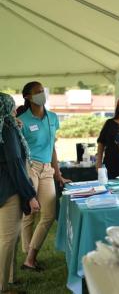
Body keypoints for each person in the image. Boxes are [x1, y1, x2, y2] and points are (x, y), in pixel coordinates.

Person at [18, 81, 69, 271]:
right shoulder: (22, 121)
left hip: (47, 168)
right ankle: (28, 257)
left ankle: (29, 255)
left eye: (42, 91)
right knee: (29, 213)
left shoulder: (53, 118)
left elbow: (53, 147)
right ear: (28, 97)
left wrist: (58, 173)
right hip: (29, 166)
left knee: (48, 214)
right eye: (37, 92)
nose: (42, 94)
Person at [0, 93, 40, 292]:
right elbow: (16, 164)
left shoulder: (7, 127)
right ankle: (3, 286)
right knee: (8, 239)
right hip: (8, 191)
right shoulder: (7, 130)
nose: (16, 110)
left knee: (8, 238)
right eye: (12, 107)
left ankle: (10, 278)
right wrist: (30, 195)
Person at [96, 97, 119, 179]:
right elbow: (101, 142)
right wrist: (98, 161)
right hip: (111, 164)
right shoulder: (109, 123)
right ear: (118, 108)